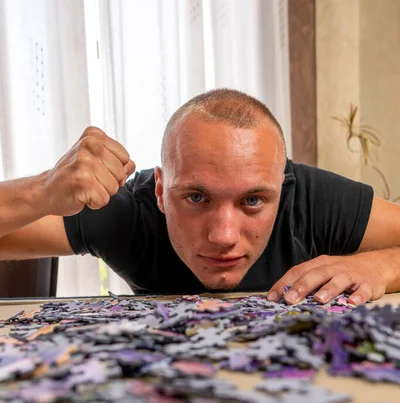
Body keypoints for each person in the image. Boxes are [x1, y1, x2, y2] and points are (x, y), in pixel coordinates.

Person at [1, 88, 400, 305]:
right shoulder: (128, 214)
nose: (224, 236)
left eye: (253, 201)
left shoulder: (312, 200)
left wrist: (381, 267)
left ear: (283, 186)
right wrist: (41, 190)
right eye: (195, 197)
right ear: (159, 190)